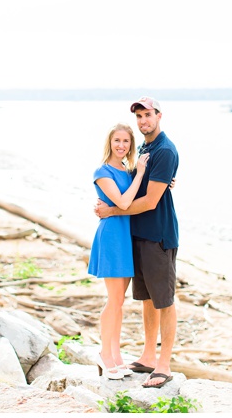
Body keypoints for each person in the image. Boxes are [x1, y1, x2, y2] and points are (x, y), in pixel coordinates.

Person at [95, 96, 180, 389]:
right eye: (140, 117)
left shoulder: (165, 150)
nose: (144, 121)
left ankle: (164, 364)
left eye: (148, 115)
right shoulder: (145, 148)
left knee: (164, 301)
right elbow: (137, 184)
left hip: (158, 235)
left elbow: (150, 201)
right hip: (138, 236)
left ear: (159, 115)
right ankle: (147, 356)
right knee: (146, 298)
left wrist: (112, 210)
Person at [89, 123, 149, 379]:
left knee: (119, 302)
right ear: (110, 143)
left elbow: (142, 195)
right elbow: (124, 202)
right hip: (112, 237)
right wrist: (141, 173)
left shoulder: (127, 170)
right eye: (117, 141)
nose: (121, 145)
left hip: (126, 238)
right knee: (113, 300)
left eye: (126, 141)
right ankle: (105, 354)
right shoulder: (102, 171)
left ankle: (116, 355)